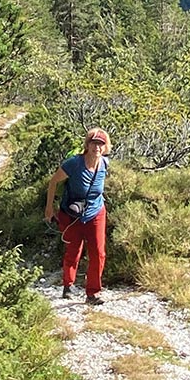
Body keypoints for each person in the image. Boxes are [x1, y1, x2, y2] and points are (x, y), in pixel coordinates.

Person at [44, 128, 110, 305]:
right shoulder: (74, 164)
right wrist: (49, 208)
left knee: (98, 253)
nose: (97, 147)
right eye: (94, 143)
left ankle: (93, 293)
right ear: (87, 145)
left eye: (101, 144)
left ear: (105, 147)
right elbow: (53, 182)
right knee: (74, 250)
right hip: (71, 214)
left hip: (95, 213)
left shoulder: (104, 164)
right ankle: (68, 284)